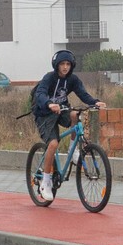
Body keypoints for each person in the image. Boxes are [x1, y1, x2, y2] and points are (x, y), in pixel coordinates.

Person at [30, 49, 101, 191]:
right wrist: (49, 104)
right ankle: (46, 181)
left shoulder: (72, 80)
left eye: (68, 64)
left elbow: (83, 94)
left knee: (75, 115)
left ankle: (73, 150)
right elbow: (40, 93)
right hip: (44, 113)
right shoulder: (49, 78)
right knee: (53, 143)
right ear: (56, 65)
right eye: (62, 63)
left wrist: (95, 102)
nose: (65, 67)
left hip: (61, 110)